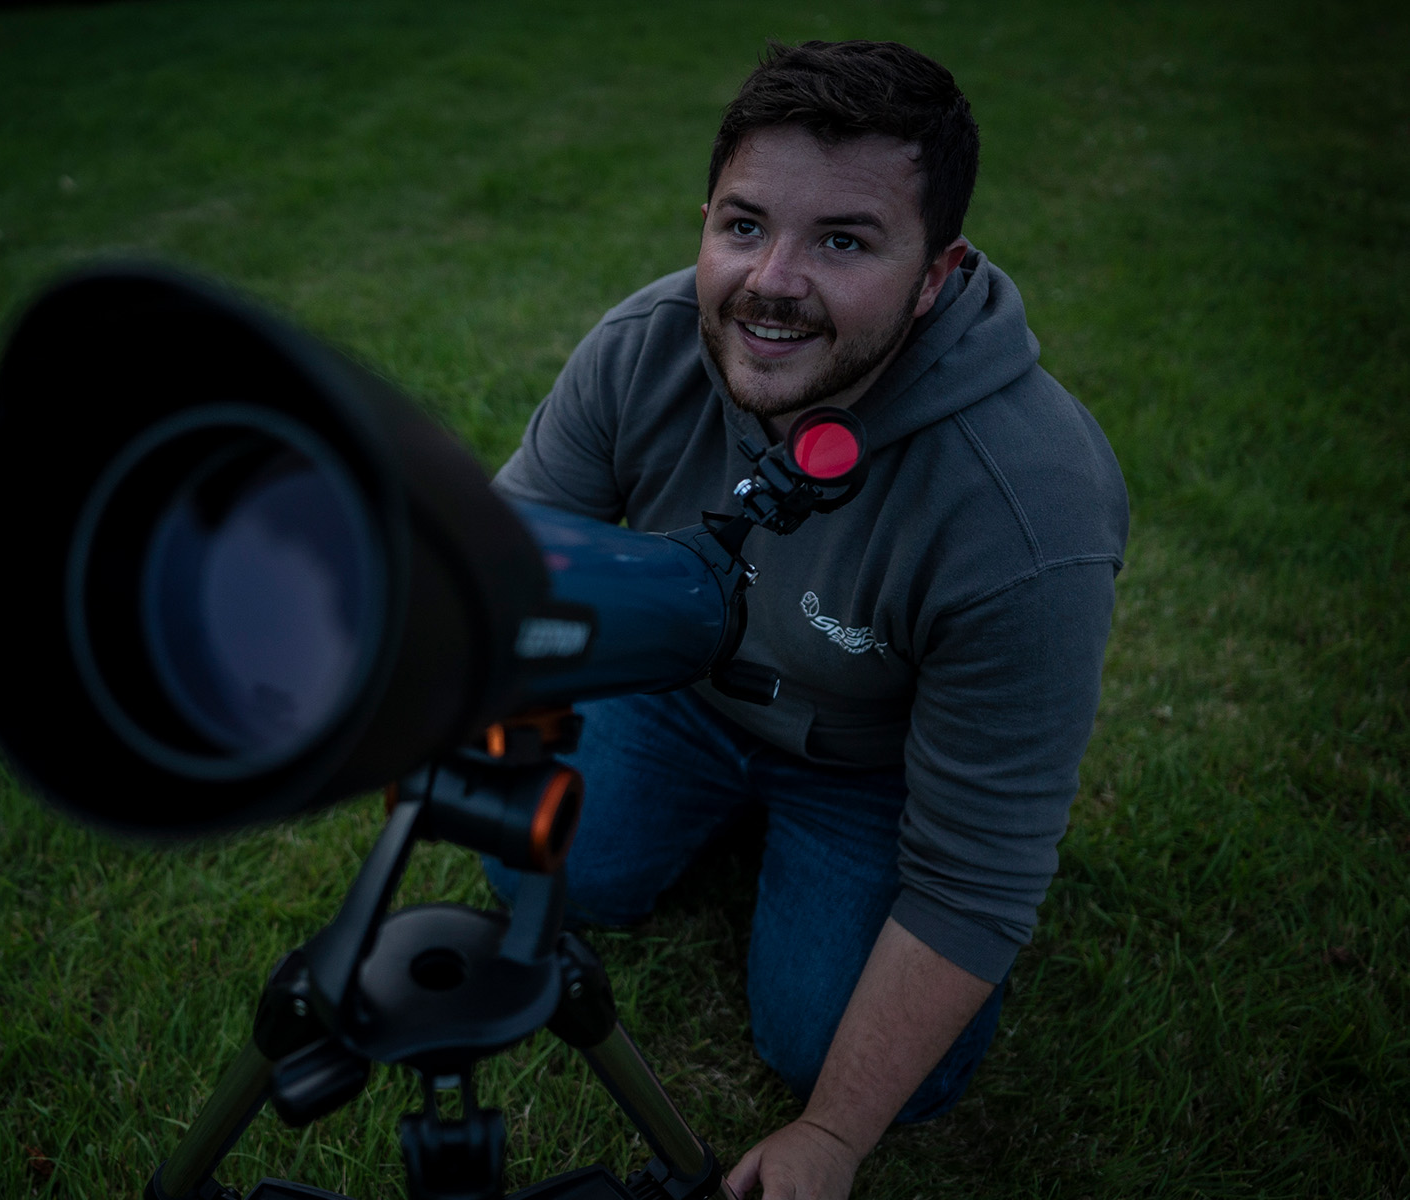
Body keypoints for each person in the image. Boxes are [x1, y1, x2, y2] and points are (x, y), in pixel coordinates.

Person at [483, 40, 1128, 1199]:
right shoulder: (645, 346)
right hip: (678, 693)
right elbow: (499, 562)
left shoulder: (1030, 510)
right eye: (743, 226)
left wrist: (832, 1136)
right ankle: (718, 817)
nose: (770, 280)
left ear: (937, 272)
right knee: (544, 876)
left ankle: (824, 883)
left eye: (843, 240)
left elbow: (978, 871)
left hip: (870, 768)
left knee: (825, 1051)